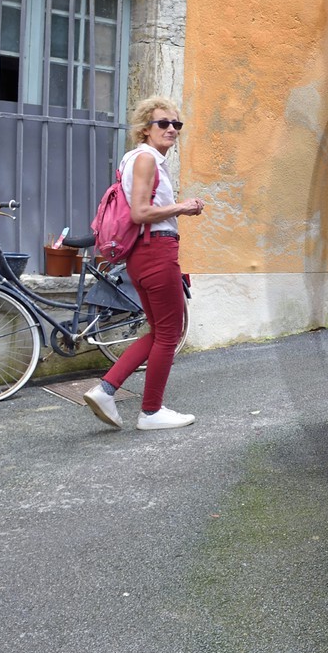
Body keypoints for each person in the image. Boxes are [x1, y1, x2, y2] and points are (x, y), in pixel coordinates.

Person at [83, 97, 205, 430]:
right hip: (155, 251)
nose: (171, 129)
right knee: (170, 333)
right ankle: (151, 411)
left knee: (160, 331)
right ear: (145, 129)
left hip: (141, 255)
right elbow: (140, 213)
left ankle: (106, 390)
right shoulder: (146, 159)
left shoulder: (135, 160)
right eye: (162, 123)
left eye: (176, 124)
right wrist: (183, 207)